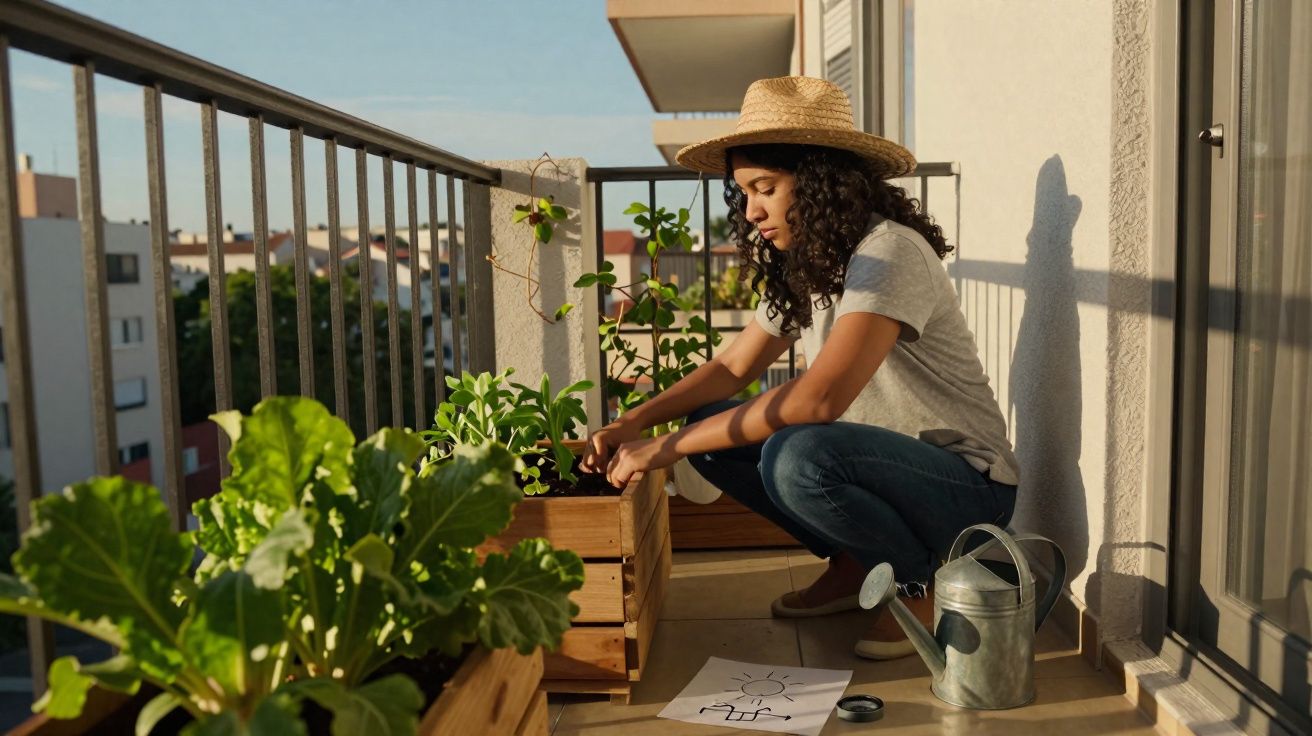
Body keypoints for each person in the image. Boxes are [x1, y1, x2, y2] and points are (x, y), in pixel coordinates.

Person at [579, 76, 1019, 660]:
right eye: (744, 193)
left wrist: (668, 447)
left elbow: (819, 400)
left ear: (819, 181)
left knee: (798, 455)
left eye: (766, 186)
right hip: (876, 470)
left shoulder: (888, 252)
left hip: (964, 487)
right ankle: (854, 560)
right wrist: (635, 421)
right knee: (715, 429)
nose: (754, 209)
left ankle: (918, 587)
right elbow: (731, 368)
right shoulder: (812, 262)